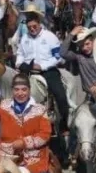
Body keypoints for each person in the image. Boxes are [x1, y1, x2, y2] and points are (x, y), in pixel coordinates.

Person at [15, 11, 71, 140]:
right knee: (17, 92)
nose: (32, 29)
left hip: (47, 70)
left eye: (34, 26)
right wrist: (18, 63)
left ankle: (64, 124)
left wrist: (43, 66)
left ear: (39, 24)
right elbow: (20, 53)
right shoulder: (25, 38)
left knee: (60, 95)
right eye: (29, 27)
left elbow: (58, 57)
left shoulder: (50, 36)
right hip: (27, 70)